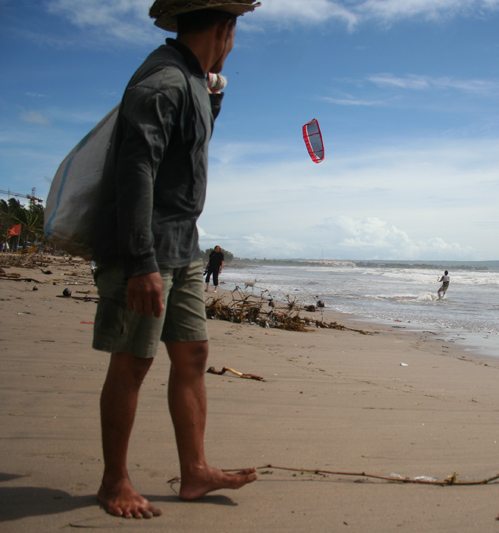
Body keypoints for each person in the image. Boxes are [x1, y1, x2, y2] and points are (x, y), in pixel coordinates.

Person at [90, 0, 261, 519]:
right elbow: (135, 170)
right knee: (134, 360)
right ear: (226, 28)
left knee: (191, 357)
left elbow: (188, 147)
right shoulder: (162, 81)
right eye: (234, 33)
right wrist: (141, 262)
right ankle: (113, 481)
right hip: (145, 247)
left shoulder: (191, 77)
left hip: (183, 244)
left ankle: (195, 471)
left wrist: (215, 91)